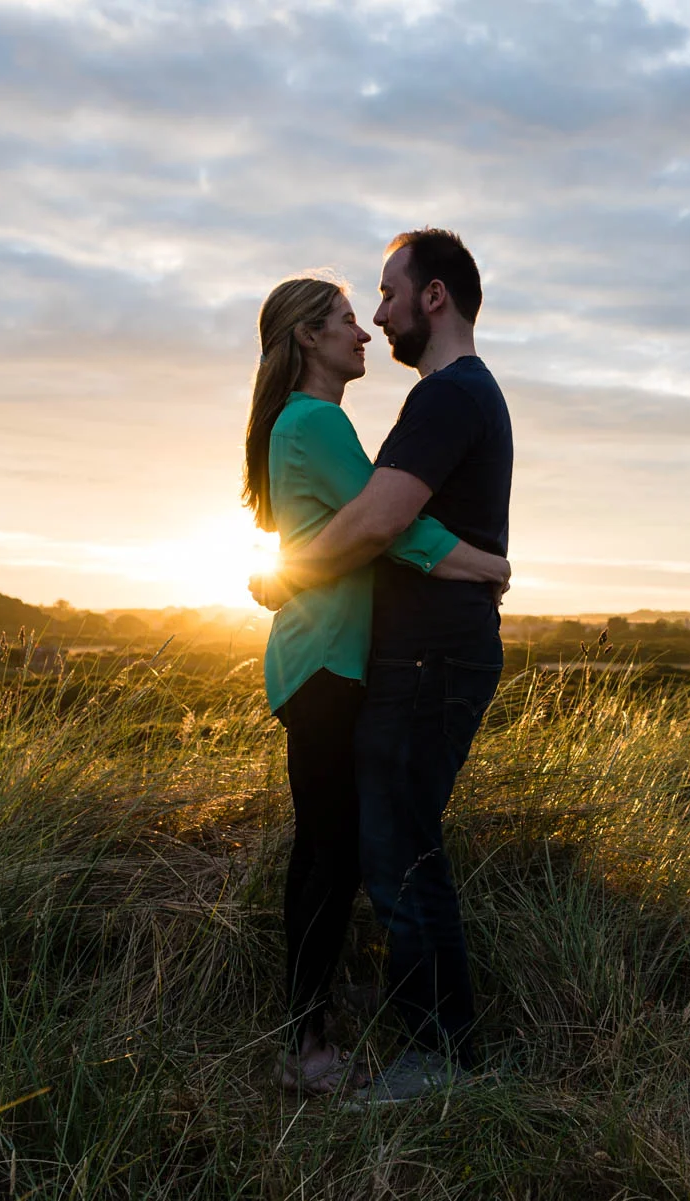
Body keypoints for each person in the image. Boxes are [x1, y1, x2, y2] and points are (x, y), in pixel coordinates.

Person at [252, 229, 512, 1103]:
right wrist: (485, 564)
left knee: (369, 850)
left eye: (385, 297)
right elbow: (378, 524)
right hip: (334, 658)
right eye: (350, 314)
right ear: (306, 340)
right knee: (349, 852)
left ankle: (366, 1038)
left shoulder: (426, 401)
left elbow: (376, 518)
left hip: (379, 657)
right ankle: (317, 1038)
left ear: (432, 298)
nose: (372, 321)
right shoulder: (320, 419)